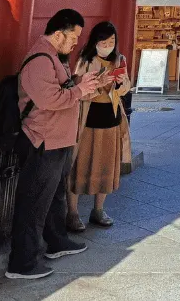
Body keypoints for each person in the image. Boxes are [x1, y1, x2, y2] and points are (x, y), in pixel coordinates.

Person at [7, 9, 108, 281]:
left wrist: (85, 84)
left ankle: (56, 242)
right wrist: (78, 90)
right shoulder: (40, 60)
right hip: (42, 140)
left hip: (57, 139)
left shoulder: (55, 58)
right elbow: (49, 99)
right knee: (34, 203)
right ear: (59, 33)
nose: (76, 42)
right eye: (73, 37)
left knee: (54, 197)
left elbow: (64, 89)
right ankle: (21, 263)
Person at [66, 22, 132, 231]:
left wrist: (121, 83)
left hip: (110, 117)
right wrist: (99, 84)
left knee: (106, 165)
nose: (107, 45)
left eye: (111, 41)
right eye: (103, 42)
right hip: (88, 118)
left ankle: (98, 209)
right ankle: (73, 212)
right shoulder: (85, 60)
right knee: (80, 164)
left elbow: (126, 88)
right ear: (95, 42)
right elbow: (78, 89)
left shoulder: (119, 59)